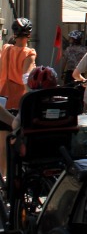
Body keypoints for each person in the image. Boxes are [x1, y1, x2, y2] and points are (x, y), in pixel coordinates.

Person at [0, 17, 37, 177]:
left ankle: (2, 178)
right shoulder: (28, 53)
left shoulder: (5, 48)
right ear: (29, 35)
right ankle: (13, 179)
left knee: (2, 142)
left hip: (2, 97)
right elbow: (26, 78)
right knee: (16, 142)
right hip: (17, 100)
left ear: (14, 34)